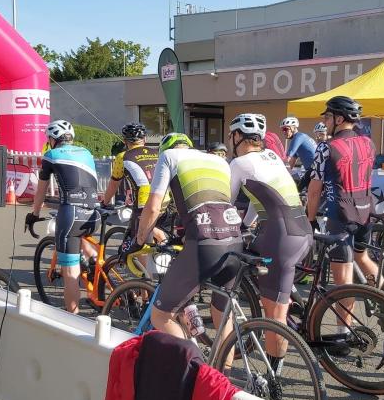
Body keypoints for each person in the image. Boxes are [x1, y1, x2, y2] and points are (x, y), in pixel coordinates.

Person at [128, 132, 243, 349]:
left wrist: (140, 239)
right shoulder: (219, 161)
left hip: (205, 244)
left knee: (161, 315)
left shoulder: (169, 156)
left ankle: (195, 367)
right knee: (222, 317)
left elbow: (153, 207)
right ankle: (220, 377)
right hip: (234, 241)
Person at [228, 113, 312, 372]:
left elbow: (225, 201)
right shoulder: (273, 156)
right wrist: (244, 225)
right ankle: (293, 299)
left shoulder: (239, 163)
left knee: (274, 316)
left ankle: (273, 376)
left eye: (231, 135)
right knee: (271, 274)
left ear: (237, 136)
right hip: (303, 230)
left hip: (282, 237)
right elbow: (259, 197)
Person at [307, 96, 379, 334]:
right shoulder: (368, 143)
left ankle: (343, 335)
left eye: (327, 116)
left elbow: (315, 189)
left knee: (343, 280)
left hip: (341, 215)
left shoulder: (326, 147)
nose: (325, 121)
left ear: (339, 119)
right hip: (366, 212)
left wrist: (310, 219)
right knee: (363, 258)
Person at [26, 120, 100, 314]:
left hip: (72, 215)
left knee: (70, 272)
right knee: (81, 236)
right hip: (94, 214)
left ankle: (72, 319)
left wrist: (34, 214)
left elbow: (41, 191)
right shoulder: (86, 153)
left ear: (53, 139)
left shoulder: (51, 155)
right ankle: (93, 259)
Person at [103, 123, 166, 251]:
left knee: (140, 243)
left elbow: (114, 183)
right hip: (164, 199)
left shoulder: (122, 157)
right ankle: (166, 248)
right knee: (154, 231)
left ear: (125, 141)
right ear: (145, 139)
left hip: (145, 203)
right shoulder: (157, 153)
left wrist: (105, 202)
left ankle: (145, 271)